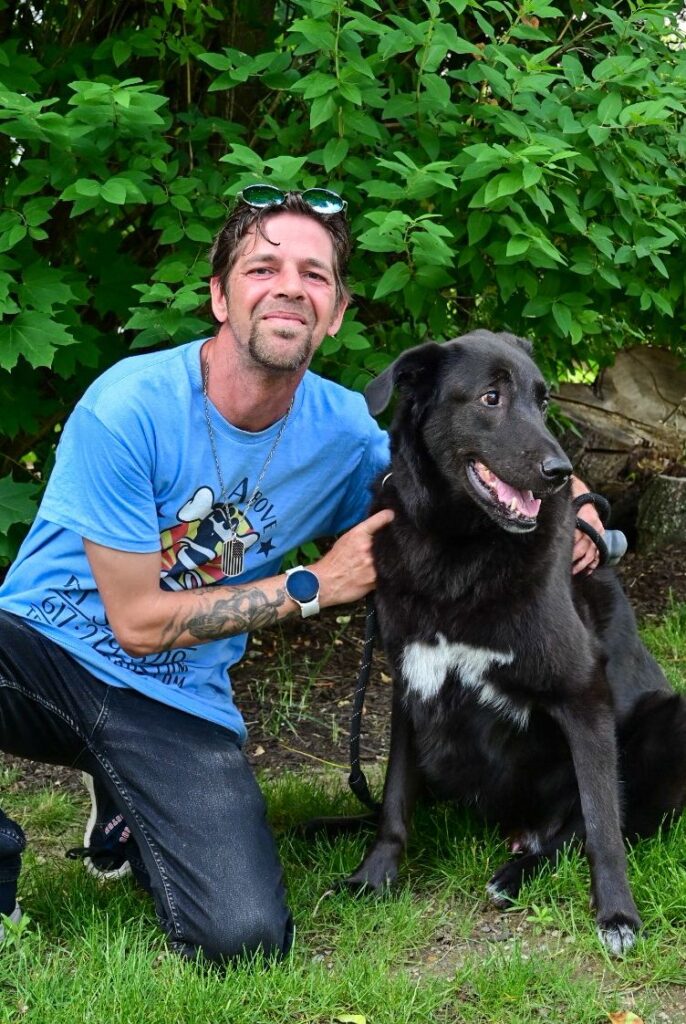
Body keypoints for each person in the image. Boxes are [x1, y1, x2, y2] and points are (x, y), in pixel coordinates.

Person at [0, 185, 605, 959]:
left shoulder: (343, 431)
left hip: (173, 701)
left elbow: (467, 456)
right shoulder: (128, 407)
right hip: (41, 656)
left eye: (315, 275)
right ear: (220, 297)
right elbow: (136, 622)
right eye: (264, 268)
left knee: (244, 942)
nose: (291, 286)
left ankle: (128, 799)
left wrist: (577, 497)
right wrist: (312, 583)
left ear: (337, 313)